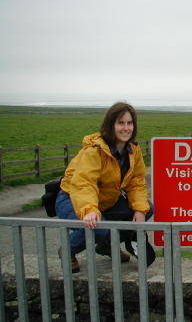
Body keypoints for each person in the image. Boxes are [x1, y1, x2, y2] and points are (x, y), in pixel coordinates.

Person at [56, 102, 154, 273]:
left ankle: (106, 244)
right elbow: (84, 182)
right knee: (98, 225)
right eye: (120, 123)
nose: (126, 128)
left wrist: (139, 209)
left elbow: (136, 182)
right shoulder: (95, 151)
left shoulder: (133, 151)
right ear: (111, 125)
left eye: (129, 123)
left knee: (148, 209)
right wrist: (89, 209)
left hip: (106, 202)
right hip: (72, 199)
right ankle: (68, 250)